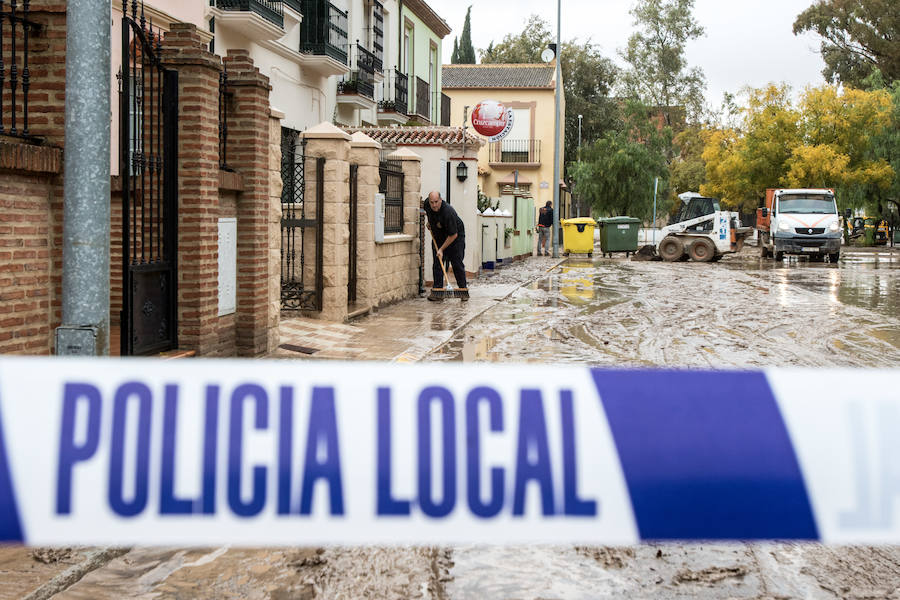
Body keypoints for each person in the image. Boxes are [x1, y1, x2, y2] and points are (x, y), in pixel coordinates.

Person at [423, 191, 468, 301]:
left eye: (436, 202)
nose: (434, 205)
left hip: (455, 237)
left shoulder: (448, 212)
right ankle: (437, 291)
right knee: (437, 263)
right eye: (432, 202)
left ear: (441, 200)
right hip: (438, 235)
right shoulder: (426, 204)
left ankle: (463, 290)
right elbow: (430, 214)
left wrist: (442, 249)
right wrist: (430, 223)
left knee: (456, 262)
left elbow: (453, 235)